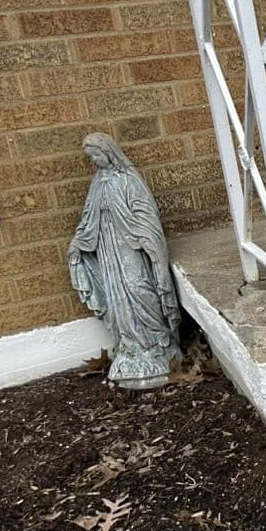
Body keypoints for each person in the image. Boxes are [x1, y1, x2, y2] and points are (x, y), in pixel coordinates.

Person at [67, 134, 182, 389]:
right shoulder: (98, 182)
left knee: (139, 289)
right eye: (91, 157)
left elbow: (146, 212)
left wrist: (144, 235)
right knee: (117, 297)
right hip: (108, 248)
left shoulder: (129, 179)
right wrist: (79, 241)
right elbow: (88, 217)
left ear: (110, 152)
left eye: (97, 154)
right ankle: (131, 348)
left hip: (132, 246)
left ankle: (157, 344)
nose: (95, 160)